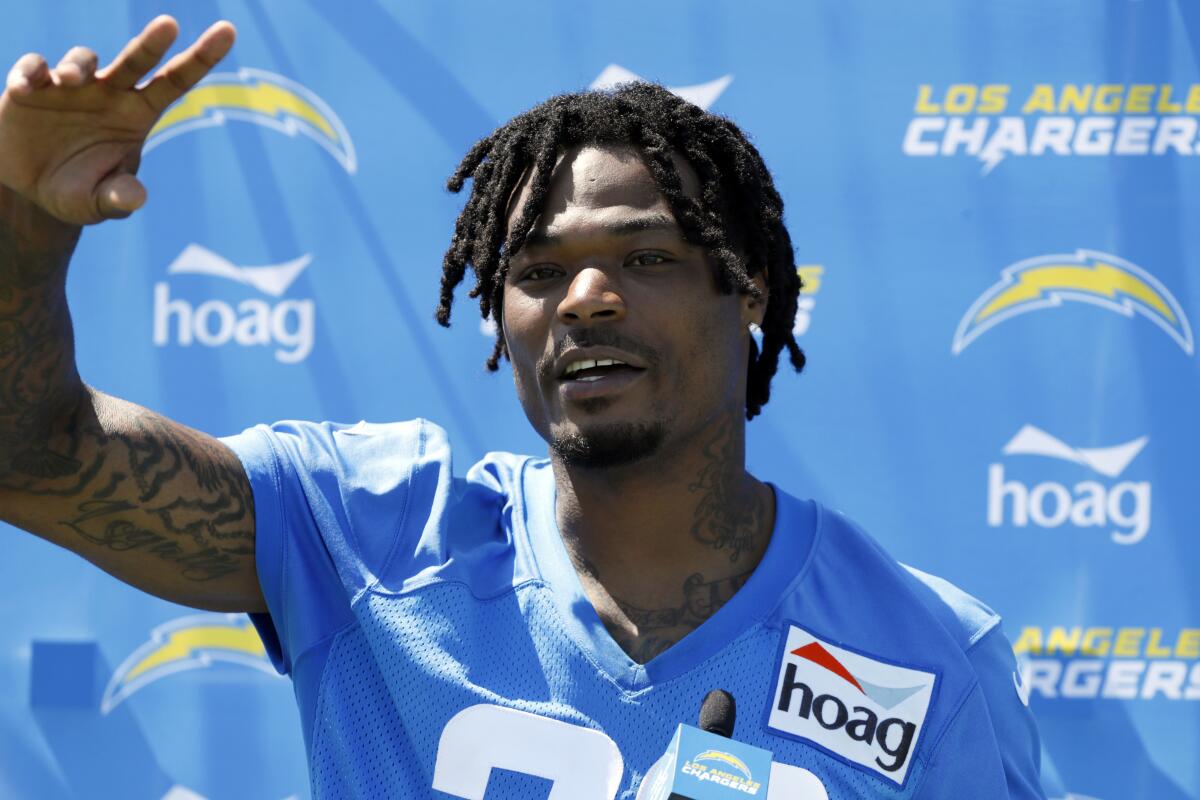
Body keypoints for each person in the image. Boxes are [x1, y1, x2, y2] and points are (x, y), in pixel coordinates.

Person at [0, 16, 1045, 799]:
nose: (586, 298)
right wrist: (22, 225)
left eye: (645, 256)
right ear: (499, 317)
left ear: (752, 289)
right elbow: (32, 455)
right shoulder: (368, 532)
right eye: (539, 271)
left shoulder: (922, 653)